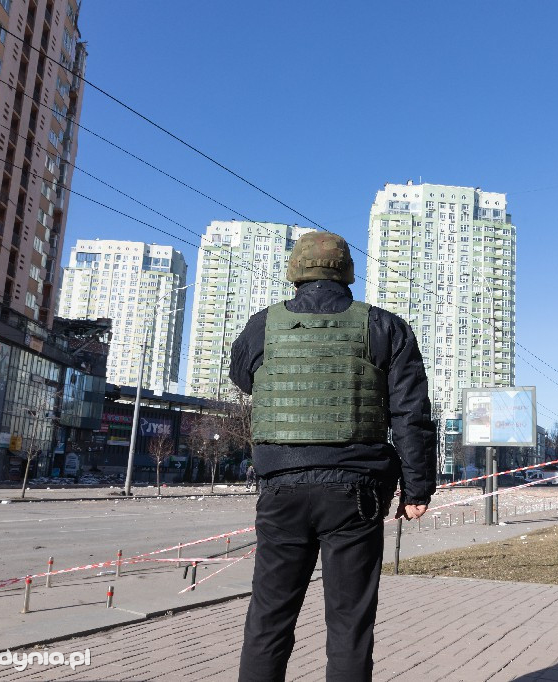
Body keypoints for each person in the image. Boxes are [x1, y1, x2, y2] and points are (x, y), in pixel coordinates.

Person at [229, 230, 436, 681]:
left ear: (295, 272)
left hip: (280, 490)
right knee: (349, 624)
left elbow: (245, 378)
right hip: (355, 494)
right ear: (347, 272)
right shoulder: (384, 325)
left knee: (268, 619)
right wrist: (418, 488)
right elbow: (411, 414)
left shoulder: (263, 324)